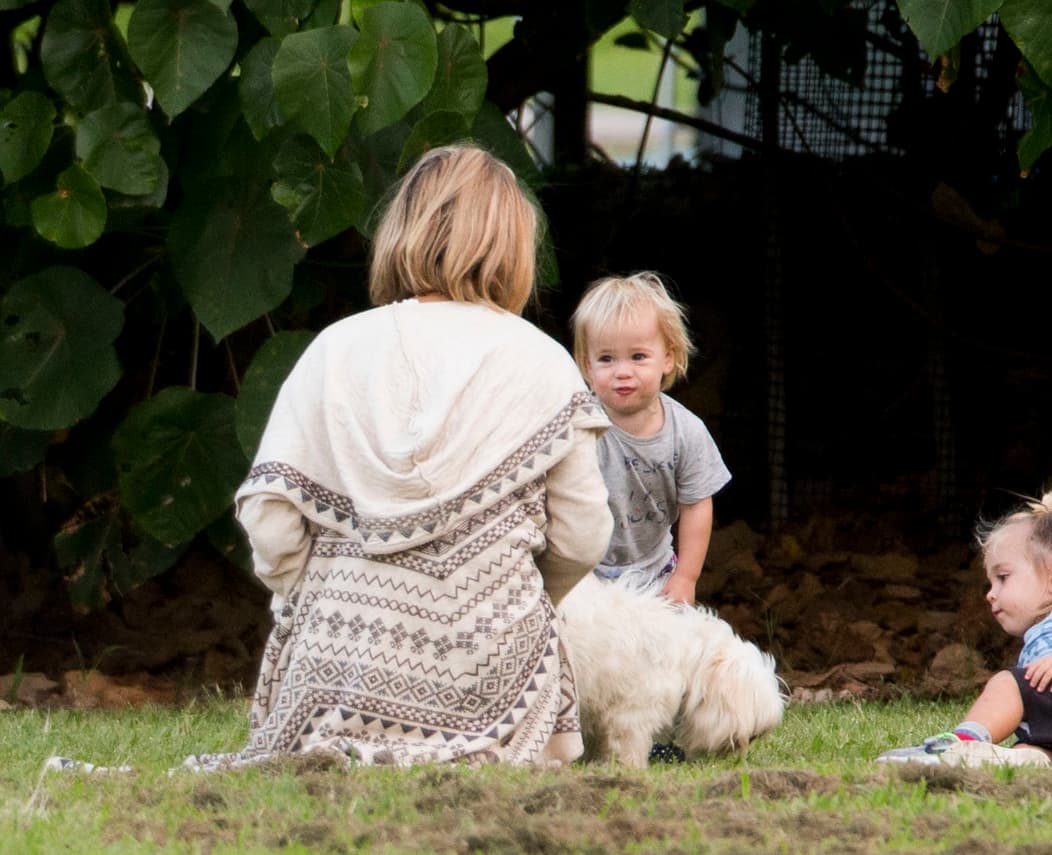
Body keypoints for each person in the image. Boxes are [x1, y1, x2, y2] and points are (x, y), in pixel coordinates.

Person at [187, 145, 613, 769]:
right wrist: (513, 593)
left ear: (404, 229)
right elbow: (582, 536)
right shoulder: (543, 361)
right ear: (514, 244)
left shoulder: (335, 350)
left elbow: (270, 521)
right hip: (488, 677)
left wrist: (321, 600)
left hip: (336, 679)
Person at [877, 487, 1052, 767]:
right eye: (990, 582)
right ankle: (1029, 759)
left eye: (1003, 577)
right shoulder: (1041, 636)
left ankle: (960, 744)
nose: (990, 593)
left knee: (1008, 683)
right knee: (1028, 746)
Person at [570, 272, 731, 607]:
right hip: (583, 572)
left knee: (663, 650)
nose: (622, 371)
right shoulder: (576, 425)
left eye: (638, 357)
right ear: (587, 365)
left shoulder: (686, 432)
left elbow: (697, 504)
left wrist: (686, 577)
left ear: (668, 357)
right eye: (606, 359)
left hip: (654, 571)